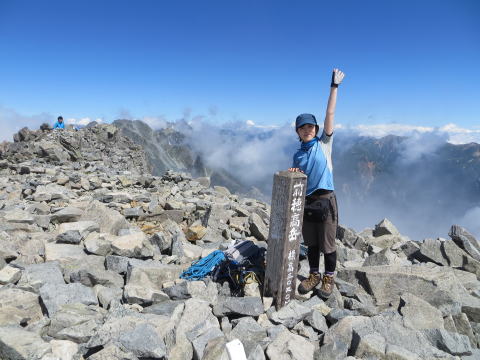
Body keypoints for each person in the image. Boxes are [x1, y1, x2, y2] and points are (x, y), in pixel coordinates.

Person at [288, 68, 345, 298]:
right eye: (303, 127)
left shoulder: (324, 145)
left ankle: (328, 278)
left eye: (310, 127)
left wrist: (334, 87)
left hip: (326, 200)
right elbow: (301, 176)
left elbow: (329, 114)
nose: (307, 130)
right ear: (298, 132)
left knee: (328, 244)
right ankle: (314, 275)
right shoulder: (297, 156)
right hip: (308, 202)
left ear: (316, 129)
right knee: (311, 243)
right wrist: (294, 173)